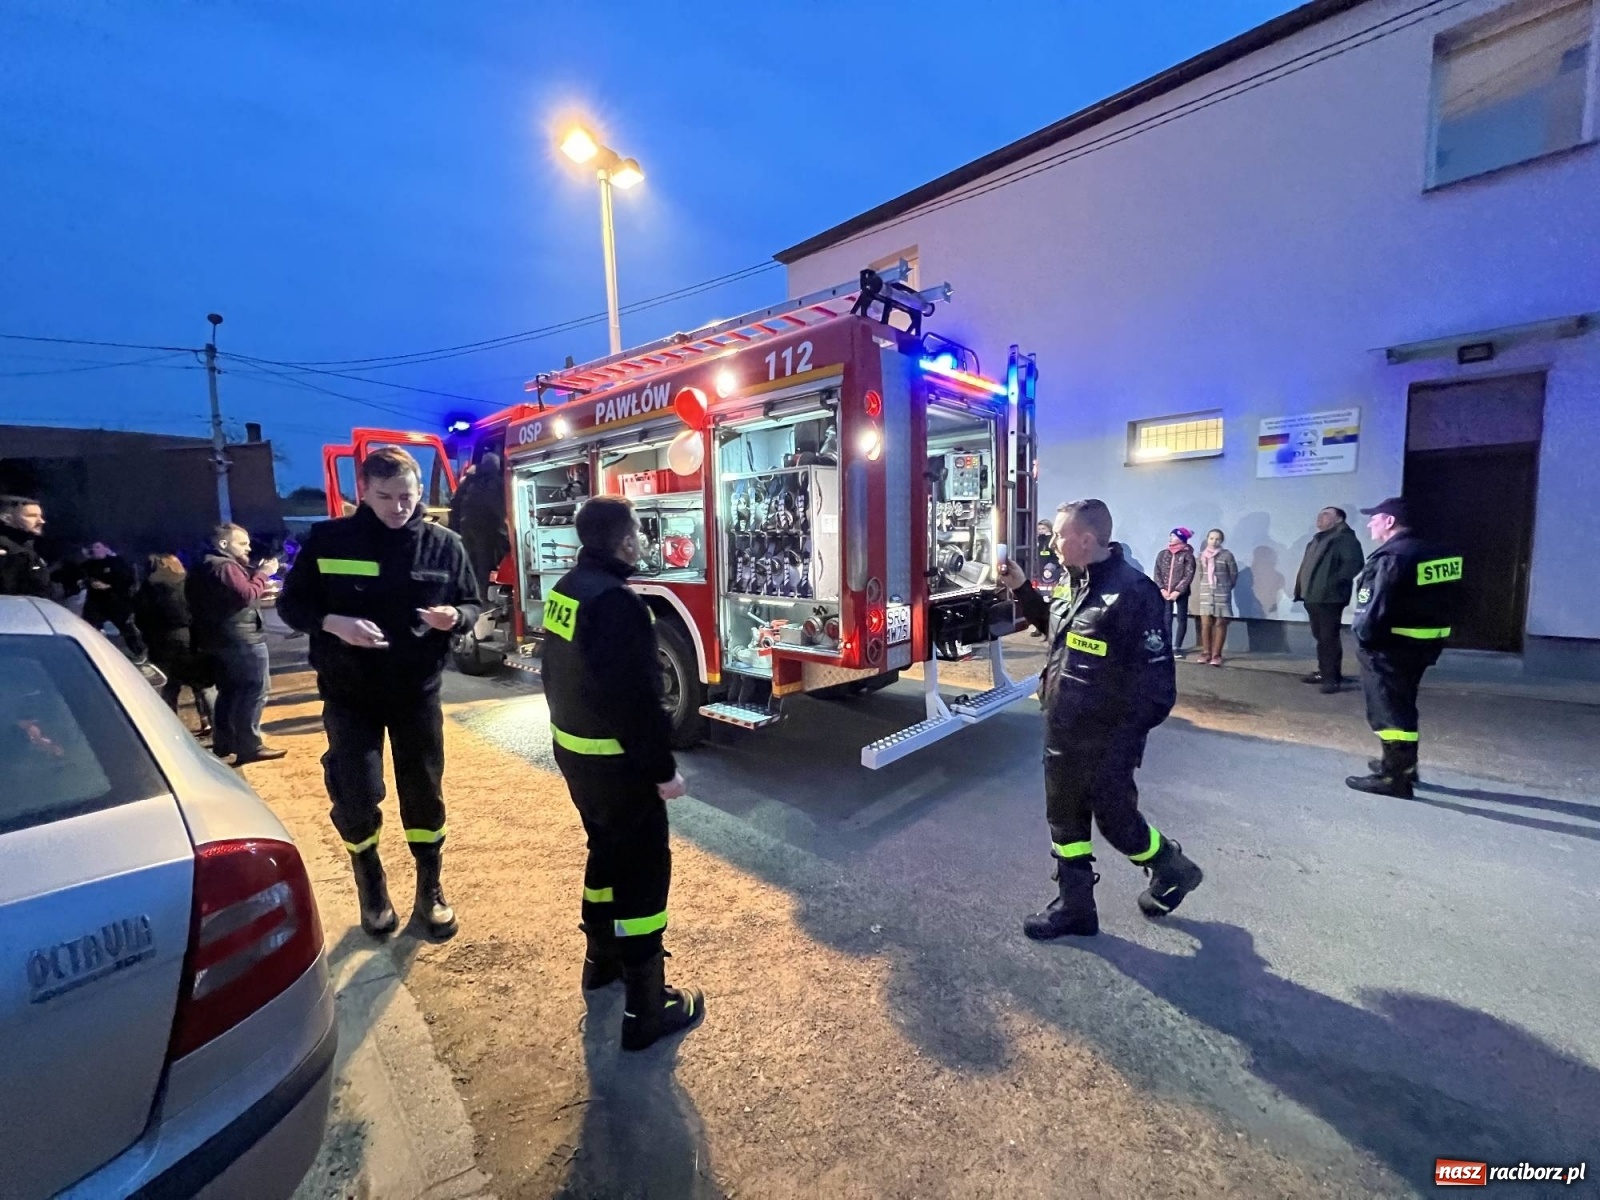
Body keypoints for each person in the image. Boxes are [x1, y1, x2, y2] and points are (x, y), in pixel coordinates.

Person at [278, 447, 480, 941]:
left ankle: (430, 888)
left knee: (424, 793)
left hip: (417, 693)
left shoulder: (444, 545)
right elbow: (291, 604)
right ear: (363, 492)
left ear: (420, 492)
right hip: (350, 693)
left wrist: (457, 618)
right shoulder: (329, 540)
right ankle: (370, 882)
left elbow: (472, 602)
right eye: (386, 496)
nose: (398, 507)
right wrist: (333, 622)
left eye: (407, 496)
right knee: (357, 792)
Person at [540, 494, 702, 1052]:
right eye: (639, 532)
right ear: (627, 541)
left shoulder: (567, 589)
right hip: (618, 767)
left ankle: (601, 963)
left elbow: (554, 674)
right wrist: (662, 771)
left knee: (605, 854)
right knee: (642, 874)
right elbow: (637, 703)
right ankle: (646, 1009)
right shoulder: (620, 604)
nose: (642, 540)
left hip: (576, 756)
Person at [998, 499, 1204, 939]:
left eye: (1060, 536)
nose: (1053, 543)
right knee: (1064, 818)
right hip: (1062, 729)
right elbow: (1056, 629)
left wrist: (1119, 743)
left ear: (1086, 539)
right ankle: (1076, 908)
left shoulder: (1133, 593)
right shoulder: (1072, 583)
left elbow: (1158, 690)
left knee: (1116, 820)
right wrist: (1022, 589)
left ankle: (1173, 867)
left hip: (1106, 740)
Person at [1345, 497, 1462, 798]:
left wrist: (1364, 639)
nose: (1370, 525)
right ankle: (1404, 765)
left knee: (1388, 711)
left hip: (1390, 645)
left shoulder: (1392, 556)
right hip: (1424, 643)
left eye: (1374, 519)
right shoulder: (1440, 553)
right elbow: (1456, 599)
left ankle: (1394, 778)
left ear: (1390, 521)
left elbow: (1373, 607)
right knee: (1404, 702)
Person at [189, 524, 283, 765]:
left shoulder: (205, 565)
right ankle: (250, 745)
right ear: (223, 544)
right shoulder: (225, 567)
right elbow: (246, 594)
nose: (248, 548)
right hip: (241, 639)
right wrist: (264, 574)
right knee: (254, 690)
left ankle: (225, 743)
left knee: (230, 693)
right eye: (242, 543)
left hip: (221, 638)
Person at [136, 553, 213, 735]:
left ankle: (171, 729)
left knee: (169, 687)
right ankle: (211, 723)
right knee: (202, 686)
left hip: (160, 643)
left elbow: (140, 619)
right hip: (189, 639)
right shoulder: (186, 584)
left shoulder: (146, 589)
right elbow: (200, 611)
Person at [1293, 507, 1365, 694]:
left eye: (1326, 515)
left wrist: (1332, 584)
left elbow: (1354, 565)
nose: (1320, 517)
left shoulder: (1344, 539)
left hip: (1330, 598)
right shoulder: (1318, 539)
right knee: (1321, 637)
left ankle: (1332, 678)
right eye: (1319, 514)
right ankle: (1324, 672)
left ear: (1339, 519)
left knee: (1328, 638)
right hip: (1314, 596)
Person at [451, 453, 509, 604]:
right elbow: (498, 507)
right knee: (484, 566)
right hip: (484, 531)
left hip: (466, 529)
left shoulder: (468, 480)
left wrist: (454, 529)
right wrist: (506, 529)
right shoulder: (493, 482)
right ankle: (481, 599)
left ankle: (468, 596)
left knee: (470, 565)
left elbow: (455, 504)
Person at [82, 540, 148, 661]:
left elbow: (127, 580)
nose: (94, 549)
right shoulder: (89, 564)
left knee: (126, 629)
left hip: (116, 602)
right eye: (93, 547)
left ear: (105, 548)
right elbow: (84, 577)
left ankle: (140, 652)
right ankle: (93, 654)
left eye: (97, 547)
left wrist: (109, 586)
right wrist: (89, 583)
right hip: (95, 602)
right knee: (90, 627)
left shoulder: (117, 562)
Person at [1192, 529, 1238, 666]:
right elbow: (1201, 574)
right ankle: (1206, 652)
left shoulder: (1227, 555)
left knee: (1220, 623)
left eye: (1217, 539)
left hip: (1221, 593)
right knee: (1206, 623)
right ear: (1207, 539)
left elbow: (1233, 574)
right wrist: (1206, 587)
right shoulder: (1202, 556)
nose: (1214, 541)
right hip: (1206, 593)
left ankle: (1216, 655)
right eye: (1211, 538)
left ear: (1221, 541)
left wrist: (1225, 587)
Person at [1152, 528, 1196, 657]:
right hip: (1165, 593)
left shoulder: (1187, 555)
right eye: (1170, 535)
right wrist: (1162, 589)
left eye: (1174, 536)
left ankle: (1177, 646)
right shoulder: (1163, 554)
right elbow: (1157, 573)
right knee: (1166, 619)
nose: (1170, 538)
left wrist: (1178, 591)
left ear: (1181, 539)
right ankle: (1167, 645)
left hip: (1181, 593)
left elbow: (1188, 575)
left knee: (1182, 619)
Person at [0, 495, 52, 597]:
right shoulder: (9, 551)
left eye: (40, 516)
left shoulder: (27, 546)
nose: (41, 521)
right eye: (31, 516)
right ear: (7, 518)